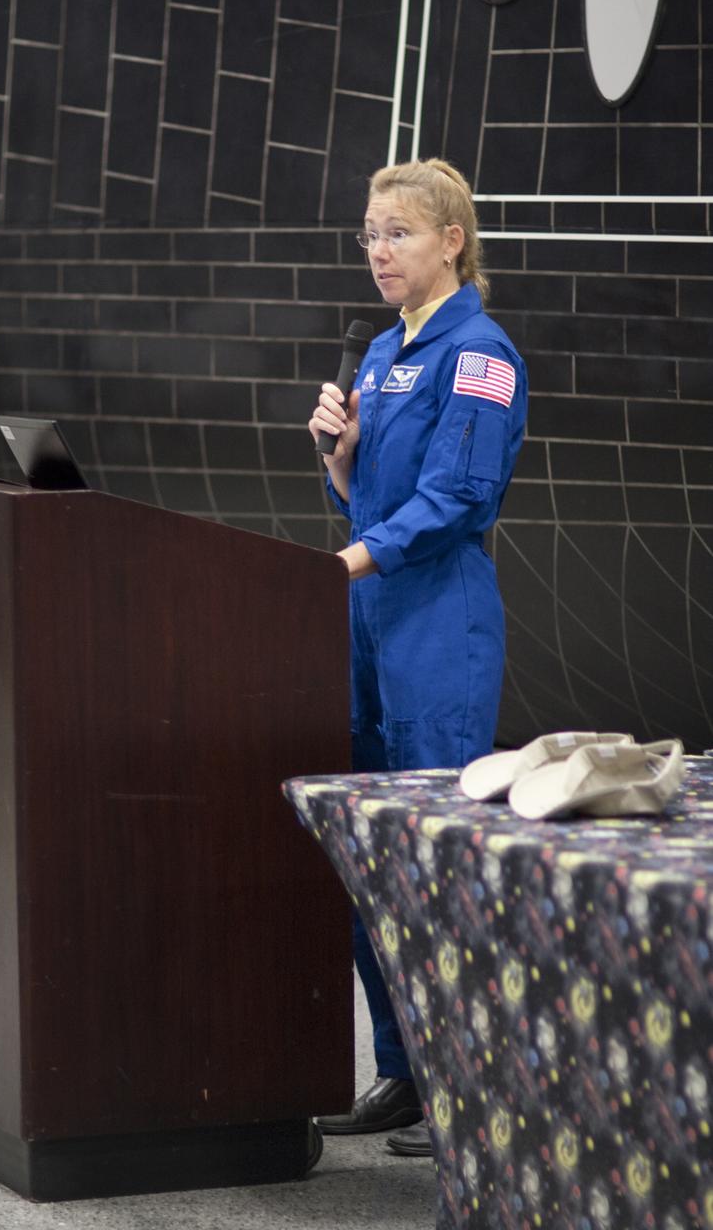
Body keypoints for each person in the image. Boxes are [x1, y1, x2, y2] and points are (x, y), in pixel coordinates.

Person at [308, 159, 527, 1157]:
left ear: (451, 241)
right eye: (367, 234)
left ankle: (465, 1084)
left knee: (435, 866)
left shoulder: (478, 352)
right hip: (368, 613)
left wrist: (350, 555)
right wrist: (340, 461)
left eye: (397, 232)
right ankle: (402, 1068)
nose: (378, 251)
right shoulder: (382, 352)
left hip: (435, 620)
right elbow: (376, 502)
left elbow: (456, 501)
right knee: (370, 857)